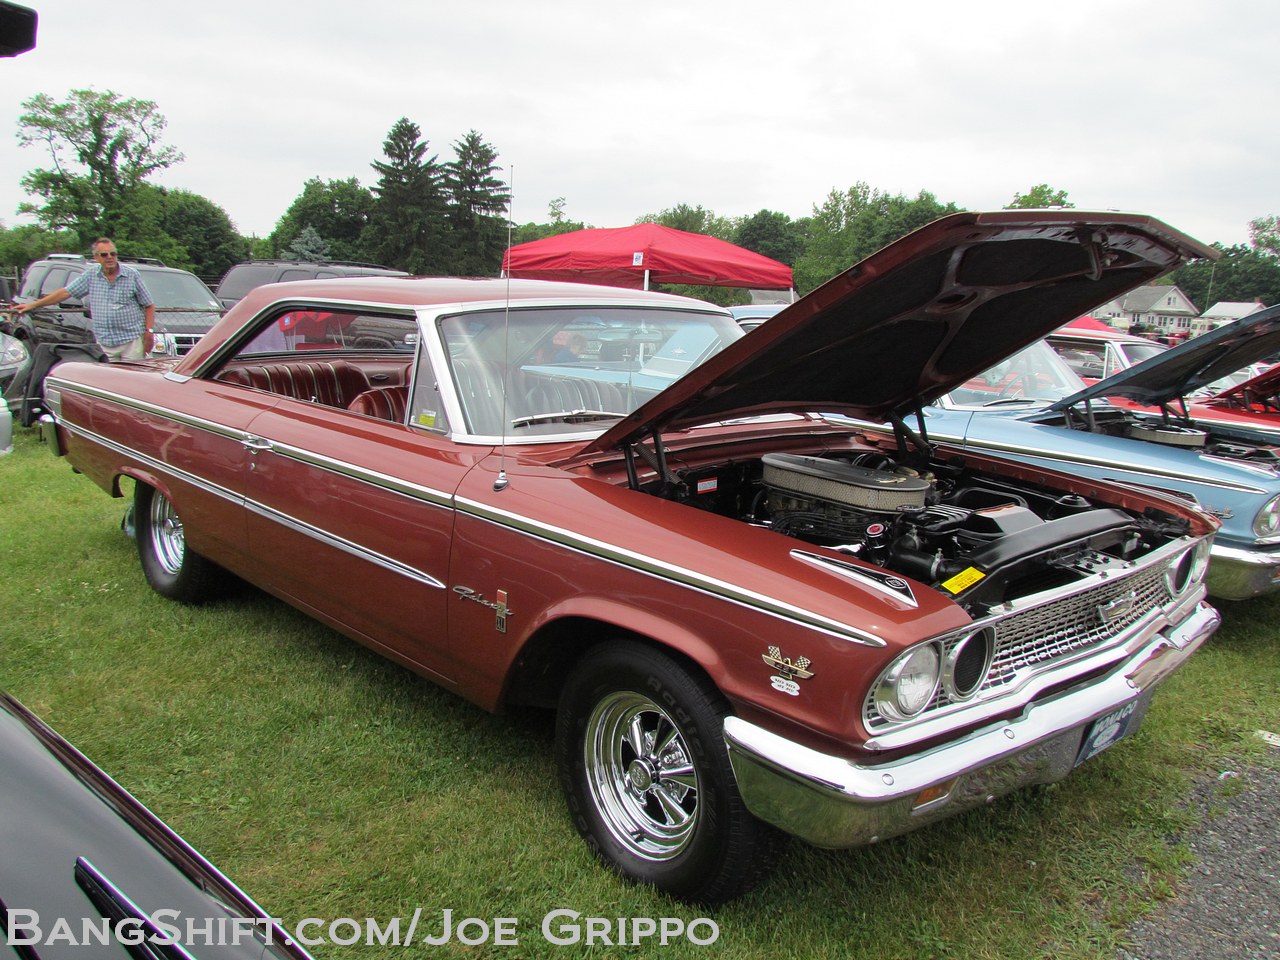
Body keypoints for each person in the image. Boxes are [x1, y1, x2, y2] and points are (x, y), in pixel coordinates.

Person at [12, 238, 155, 360]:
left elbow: (148, 304)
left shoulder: (132, 275)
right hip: (104, 342)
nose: (110, 257)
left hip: (130, 341)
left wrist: (149, 332)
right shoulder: (91, 275)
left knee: (130, 381)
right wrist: (34, 304)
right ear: (97, 258)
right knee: (106, 383)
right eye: (104, 254)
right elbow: (66, 293)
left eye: (113, 254)